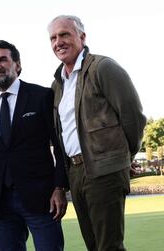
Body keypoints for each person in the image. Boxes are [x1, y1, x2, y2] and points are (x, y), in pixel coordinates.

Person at [48, 15, 147, 251]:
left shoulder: (103, 67)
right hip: (75, 173)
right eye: (53, 37)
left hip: (104, 170)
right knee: (93, 245)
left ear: (82, 37)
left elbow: (133, 117)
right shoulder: (57, 84)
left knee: (108, 246)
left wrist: (124, 158)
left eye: (64, 34)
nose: (58, 42)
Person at [0, 40, 69, 251]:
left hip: (42, 198)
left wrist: (60, 187)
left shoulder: (41, 96)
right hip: (1, 204)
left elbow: (59, 144)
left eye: (2, 60)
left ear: (17, 64)